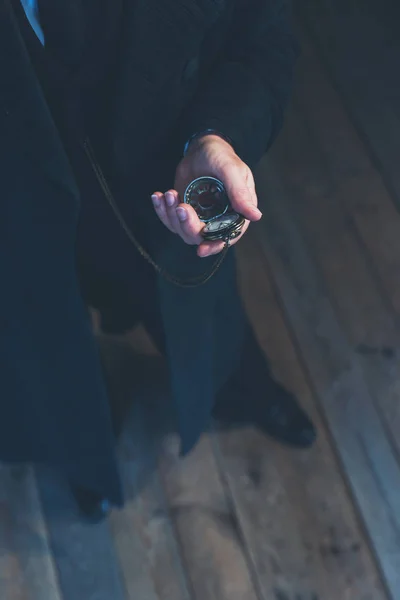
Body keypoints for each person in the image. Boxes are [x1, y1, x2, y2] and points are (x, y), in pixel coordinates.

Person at [0, 0, 316, 522]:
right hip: (19, 207)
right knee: (47, 351)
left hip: (159, 176)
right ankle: (86, 454)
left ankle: (240, 388)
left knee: (205, 314)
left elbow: (262, 38)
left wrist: (217, 136)